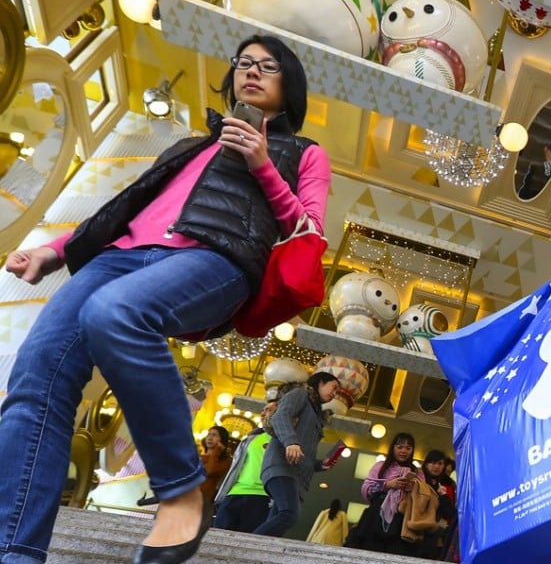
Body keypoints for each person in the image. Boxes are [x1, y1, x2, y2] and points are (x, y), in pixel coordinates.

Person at [0, 33, 331, 564]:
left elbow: (310, 228)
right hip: (121, 256)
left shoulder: (305, 152)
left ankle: (181, 493)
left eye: (267, 67)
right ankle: (14, 552)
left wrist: (264, 164)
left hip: (215, 260)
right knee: (35, 377)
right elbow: (125, 206)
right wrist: (56, 252)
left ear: (289, 86)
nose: (251, 71)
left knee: (115, 313)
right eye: (243, 62)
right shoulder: (191, 145)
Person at [252, 371, 341, 538]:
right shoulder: (301, 394)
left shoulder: (316, 413)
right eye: (334, 387)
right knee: (289, 514)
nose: (334, 394)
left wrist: (320, 464)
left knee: (277, 527)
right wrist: (291, 441)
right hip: (281, 467)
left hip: (296, 475)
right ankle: (245, 548)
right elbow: (280, 417)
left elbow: (303, 453)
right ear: (320, 382)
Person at [345, 431, 424, 556]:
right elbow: (366, 488)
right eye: (400, 447)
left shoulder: (418, 472)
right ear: (393, 448)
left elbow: (422, 497)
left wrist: (412, 488)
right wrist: (388, 485)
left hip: (403, 518)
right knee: (369, 551)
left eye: (408, 448)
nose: (404, 451)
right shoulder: (381, 466)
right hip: (376, 514)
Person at [212, 401, 276, 533]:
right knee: (217, 537)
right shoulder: (251, 438)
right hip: (234, 493)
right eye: (263, 410)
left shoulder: (286, 440)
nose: (263, 413)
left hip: (262, 497)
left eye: (268, 410)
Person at [419, 450, 456, 560]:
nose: (436, 467)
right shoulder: (419, 482)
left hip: (433, 535)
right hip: (416, 531)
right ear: (426, 464)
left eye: (440, 464)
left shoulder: (443, 487)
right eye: (433, 463)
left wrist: (443, 495)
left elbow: (452, 513)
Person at [198, 425, 232, 504]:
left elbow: (209, 470)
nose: (210, 438)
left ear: (222, 440)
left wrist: (217, 450)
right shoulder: (198, 457)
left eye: (214, 435)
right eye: (208, 434)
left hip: (202, 501)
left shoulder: (226, 461)